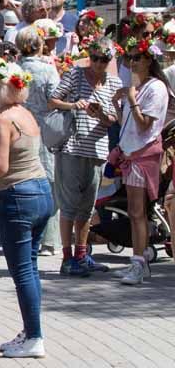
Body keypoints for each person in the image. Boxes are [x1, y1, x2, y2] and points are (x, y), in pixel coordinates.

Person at [0, 59, 53, 358]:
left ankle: (34, 336)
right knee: (30, 268)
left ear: (1, 87)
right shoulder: (24, 114)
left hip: (18, 196)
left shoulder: (3, 119)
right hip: (40, 191)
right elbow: (1, 151)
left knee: (22, 271)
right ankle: (31, 330)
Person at [49, 38, 120, 275]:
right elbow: (53, 100)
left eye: (105, 59)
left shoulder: (114, 82)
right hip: (71, 146)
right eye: (96, 58)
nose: (99, 64)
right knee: (69, 204)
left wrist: (101, 115)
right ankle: (67, 258)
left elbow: (113, 120)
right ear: (90, 56)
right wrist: (74, 105)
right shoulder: (75, 74)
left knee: (87, 207)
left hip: (97, 150)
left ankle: (81, 254)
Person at [116, 38, 170, 286]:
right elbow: (126, 123)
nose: (132, 62)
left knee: (137, 212)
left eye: (137, 57)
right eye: (129, 58)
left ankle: (139, 263)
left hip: (143, 154)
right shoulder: (140, 85)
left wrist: (132, 98)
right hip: (130, 152)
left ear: (149, 59)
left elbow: (145, 124)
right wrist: (117, 106)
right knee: (136, 211)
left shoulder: (156, 88)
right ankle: (140, 258)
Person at [16, 27, 62, 257]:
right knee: (49, 182)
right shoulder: (47, 70)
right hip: (44, 129)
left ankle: (25, 234)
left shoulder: (13, 69)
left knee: (22, 179)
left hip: (17, 129)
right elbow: (56, 98)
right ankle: (49, 240)